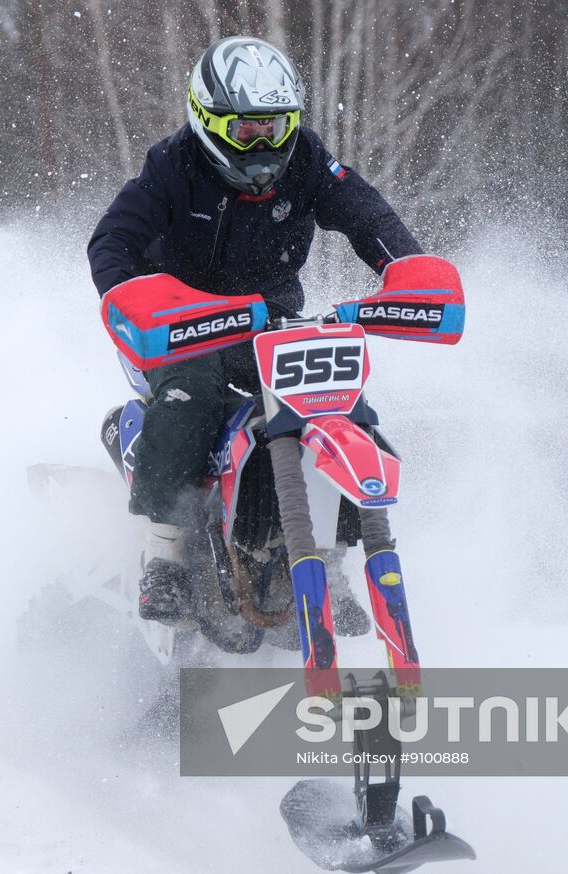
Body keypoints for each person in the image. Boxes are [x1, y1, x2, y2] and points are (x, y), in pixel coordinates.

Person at [87, 36, 427, 624]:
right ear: (207, 120)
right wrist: (131, 296)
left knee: (337, 398)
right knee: (194, 392)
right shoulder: (172, 165)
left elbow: (366, 213)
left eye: (276, 127)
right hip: (177, 325)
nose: (264, 144)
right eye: (246, 130)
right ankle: (164, 553)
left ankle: (331, 556)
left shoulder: (306, 160)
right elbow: (113, 239)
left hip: (270, 320)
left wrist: (407, 268)